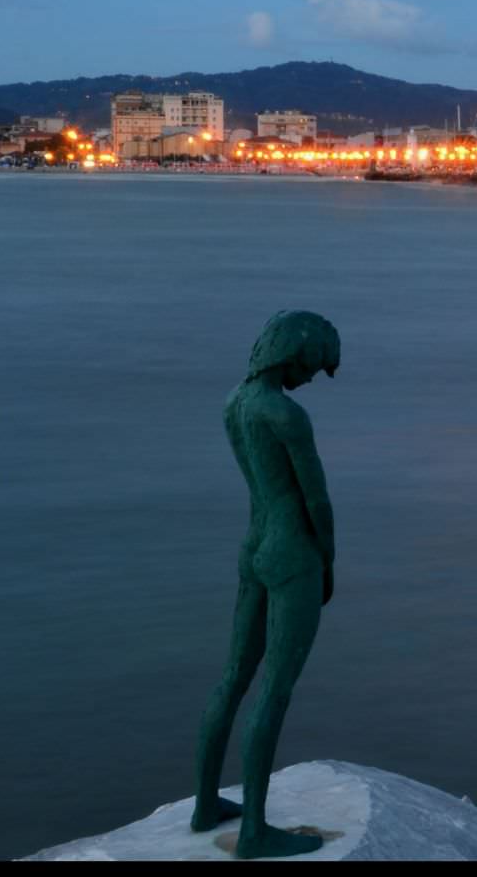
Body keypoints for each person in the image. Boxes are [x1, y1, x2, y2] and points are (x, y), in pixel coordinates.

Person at [189, 310, 340, 859]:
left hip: (252, 545)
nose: (310, 378)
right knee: (274, 688)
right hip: (290, 550)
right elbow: (316, 501)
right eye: (312, 366)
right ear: (293, 353)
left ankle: (206, 805)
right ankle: (253, 831)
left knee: (232, 677)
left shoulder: (236, 403)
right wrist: (327, 560)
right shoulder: (286, 414)